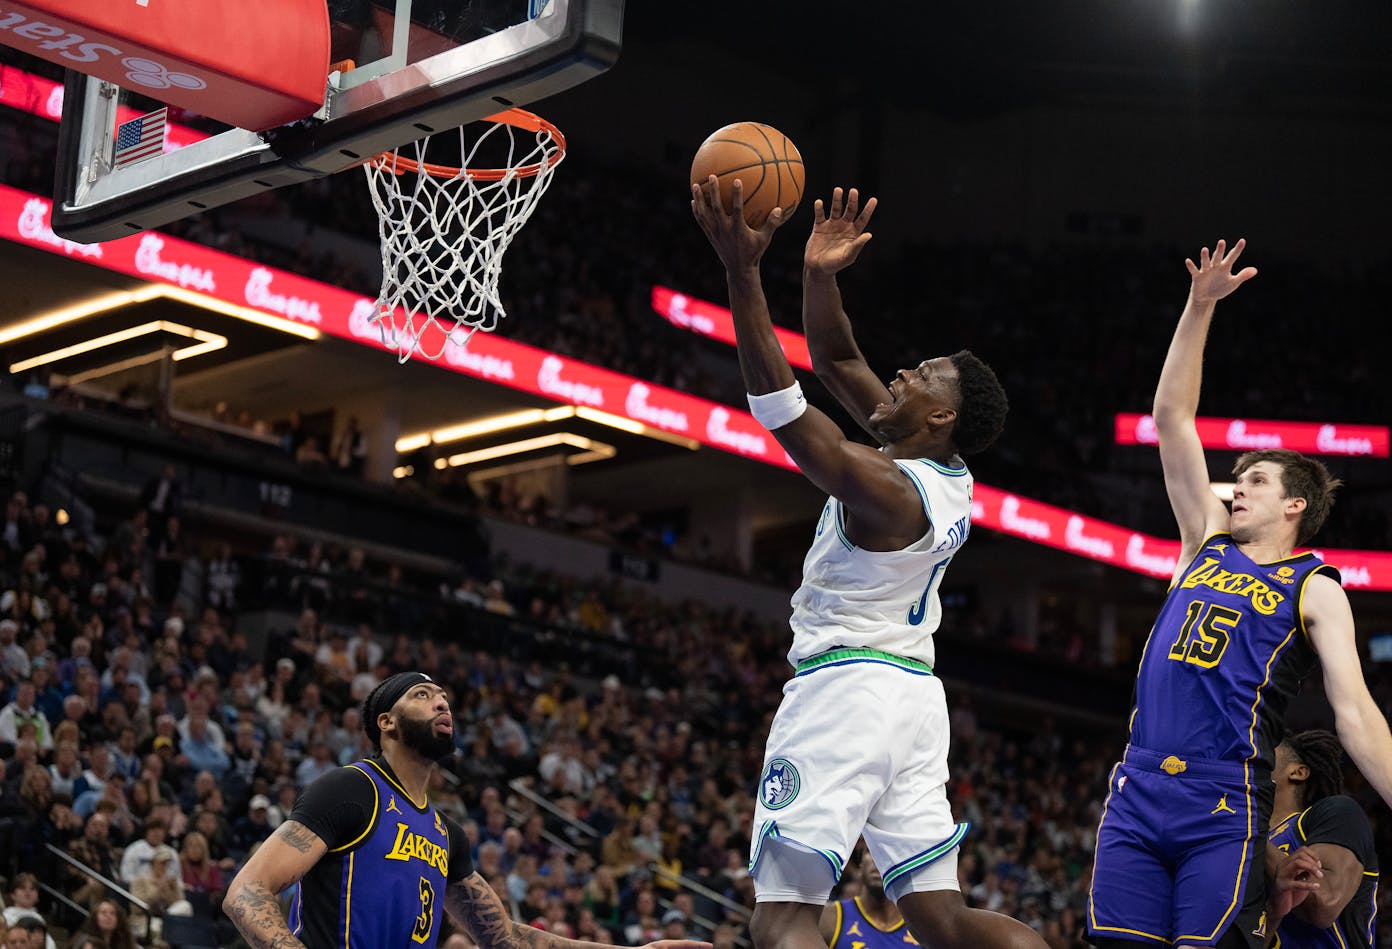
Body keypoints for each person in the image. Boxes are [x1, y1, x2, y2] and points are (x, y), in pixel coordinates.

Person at [691, 178, 1036, 949]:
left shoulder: (890, 491)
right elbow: (838, 355)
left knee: (781, 916)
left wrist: (742, 272)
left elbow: (786, 412)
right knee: (943, 922)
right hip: (912, 701)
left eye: (920, 376)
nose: (903, 373)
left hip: (845, 693)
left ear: (941, 416)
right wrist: (818, 275)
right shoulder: (941, 473)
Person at [1085, 240, 1392, 947]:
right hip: (1138, 785)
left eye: (1256, 481)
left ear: (1295, 505)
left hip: (1225, 799)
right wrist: (1198, 306)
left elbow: (1355, 711)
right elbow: (1172, 417)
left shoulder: (1316, 586)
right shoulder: (1202, 539)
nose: (1236, 487)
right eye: (1237, 478)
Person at [224, 671, 711, 949]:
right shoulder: (353, 789)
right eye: (423, 696)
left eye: (443, 698)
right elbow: (247, 891)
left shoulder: (445, 834)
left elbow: (507, 941)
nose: (441, 705)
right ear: (387, 722)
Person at [1264, 731, 1377, 948]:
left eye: (1265, 746)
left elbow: (1324, 905)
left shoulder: (1338, 813)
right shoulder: (1240, 843)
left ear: (1298, 772)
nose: (1251, 752)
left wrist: (1248, 830)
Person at [820, 850, 917, 949]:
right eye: (870, 851)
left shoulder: (919, 921)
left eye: (886, 853)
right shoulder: (829, 917)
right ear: (860, 866)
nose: (877, 859)